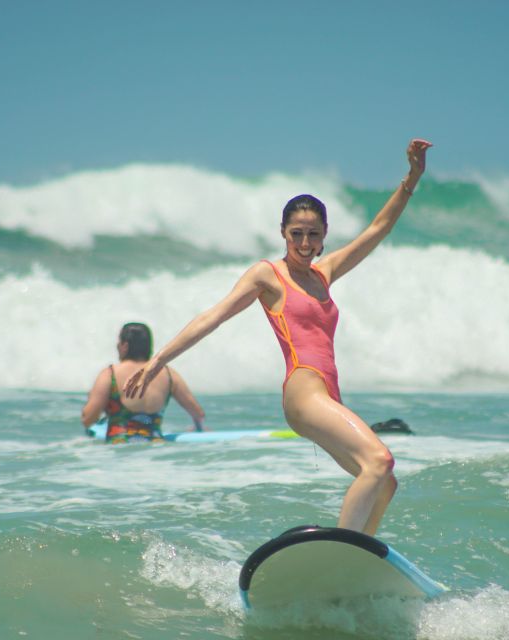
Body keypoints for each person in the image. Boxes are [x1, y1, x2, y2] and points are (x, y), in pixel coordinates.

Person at [125, 139, 432, 535]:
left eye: (313, 235)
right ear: (283, 233)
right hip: (304, 392)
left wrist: (412, 177)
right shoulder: (268, 275)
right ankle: (343, 549)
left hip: (329, 394)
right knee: (380, 461)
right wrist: (158, 360)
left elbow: (378, 228)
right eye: (296, 234)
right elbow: (213, 316)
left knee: (385, 481)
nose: (305, 244)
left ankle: (362, 557)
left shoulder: (325, 272)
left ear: (324, 236)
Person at [82, 322, 206, 443]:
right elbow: (198, 413)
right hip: (155, 451)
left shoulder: (110, 374)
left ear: (125, 346)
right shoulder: (168, 374)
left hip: (119, 453)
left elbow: (88, 419)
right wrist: (198, 428)